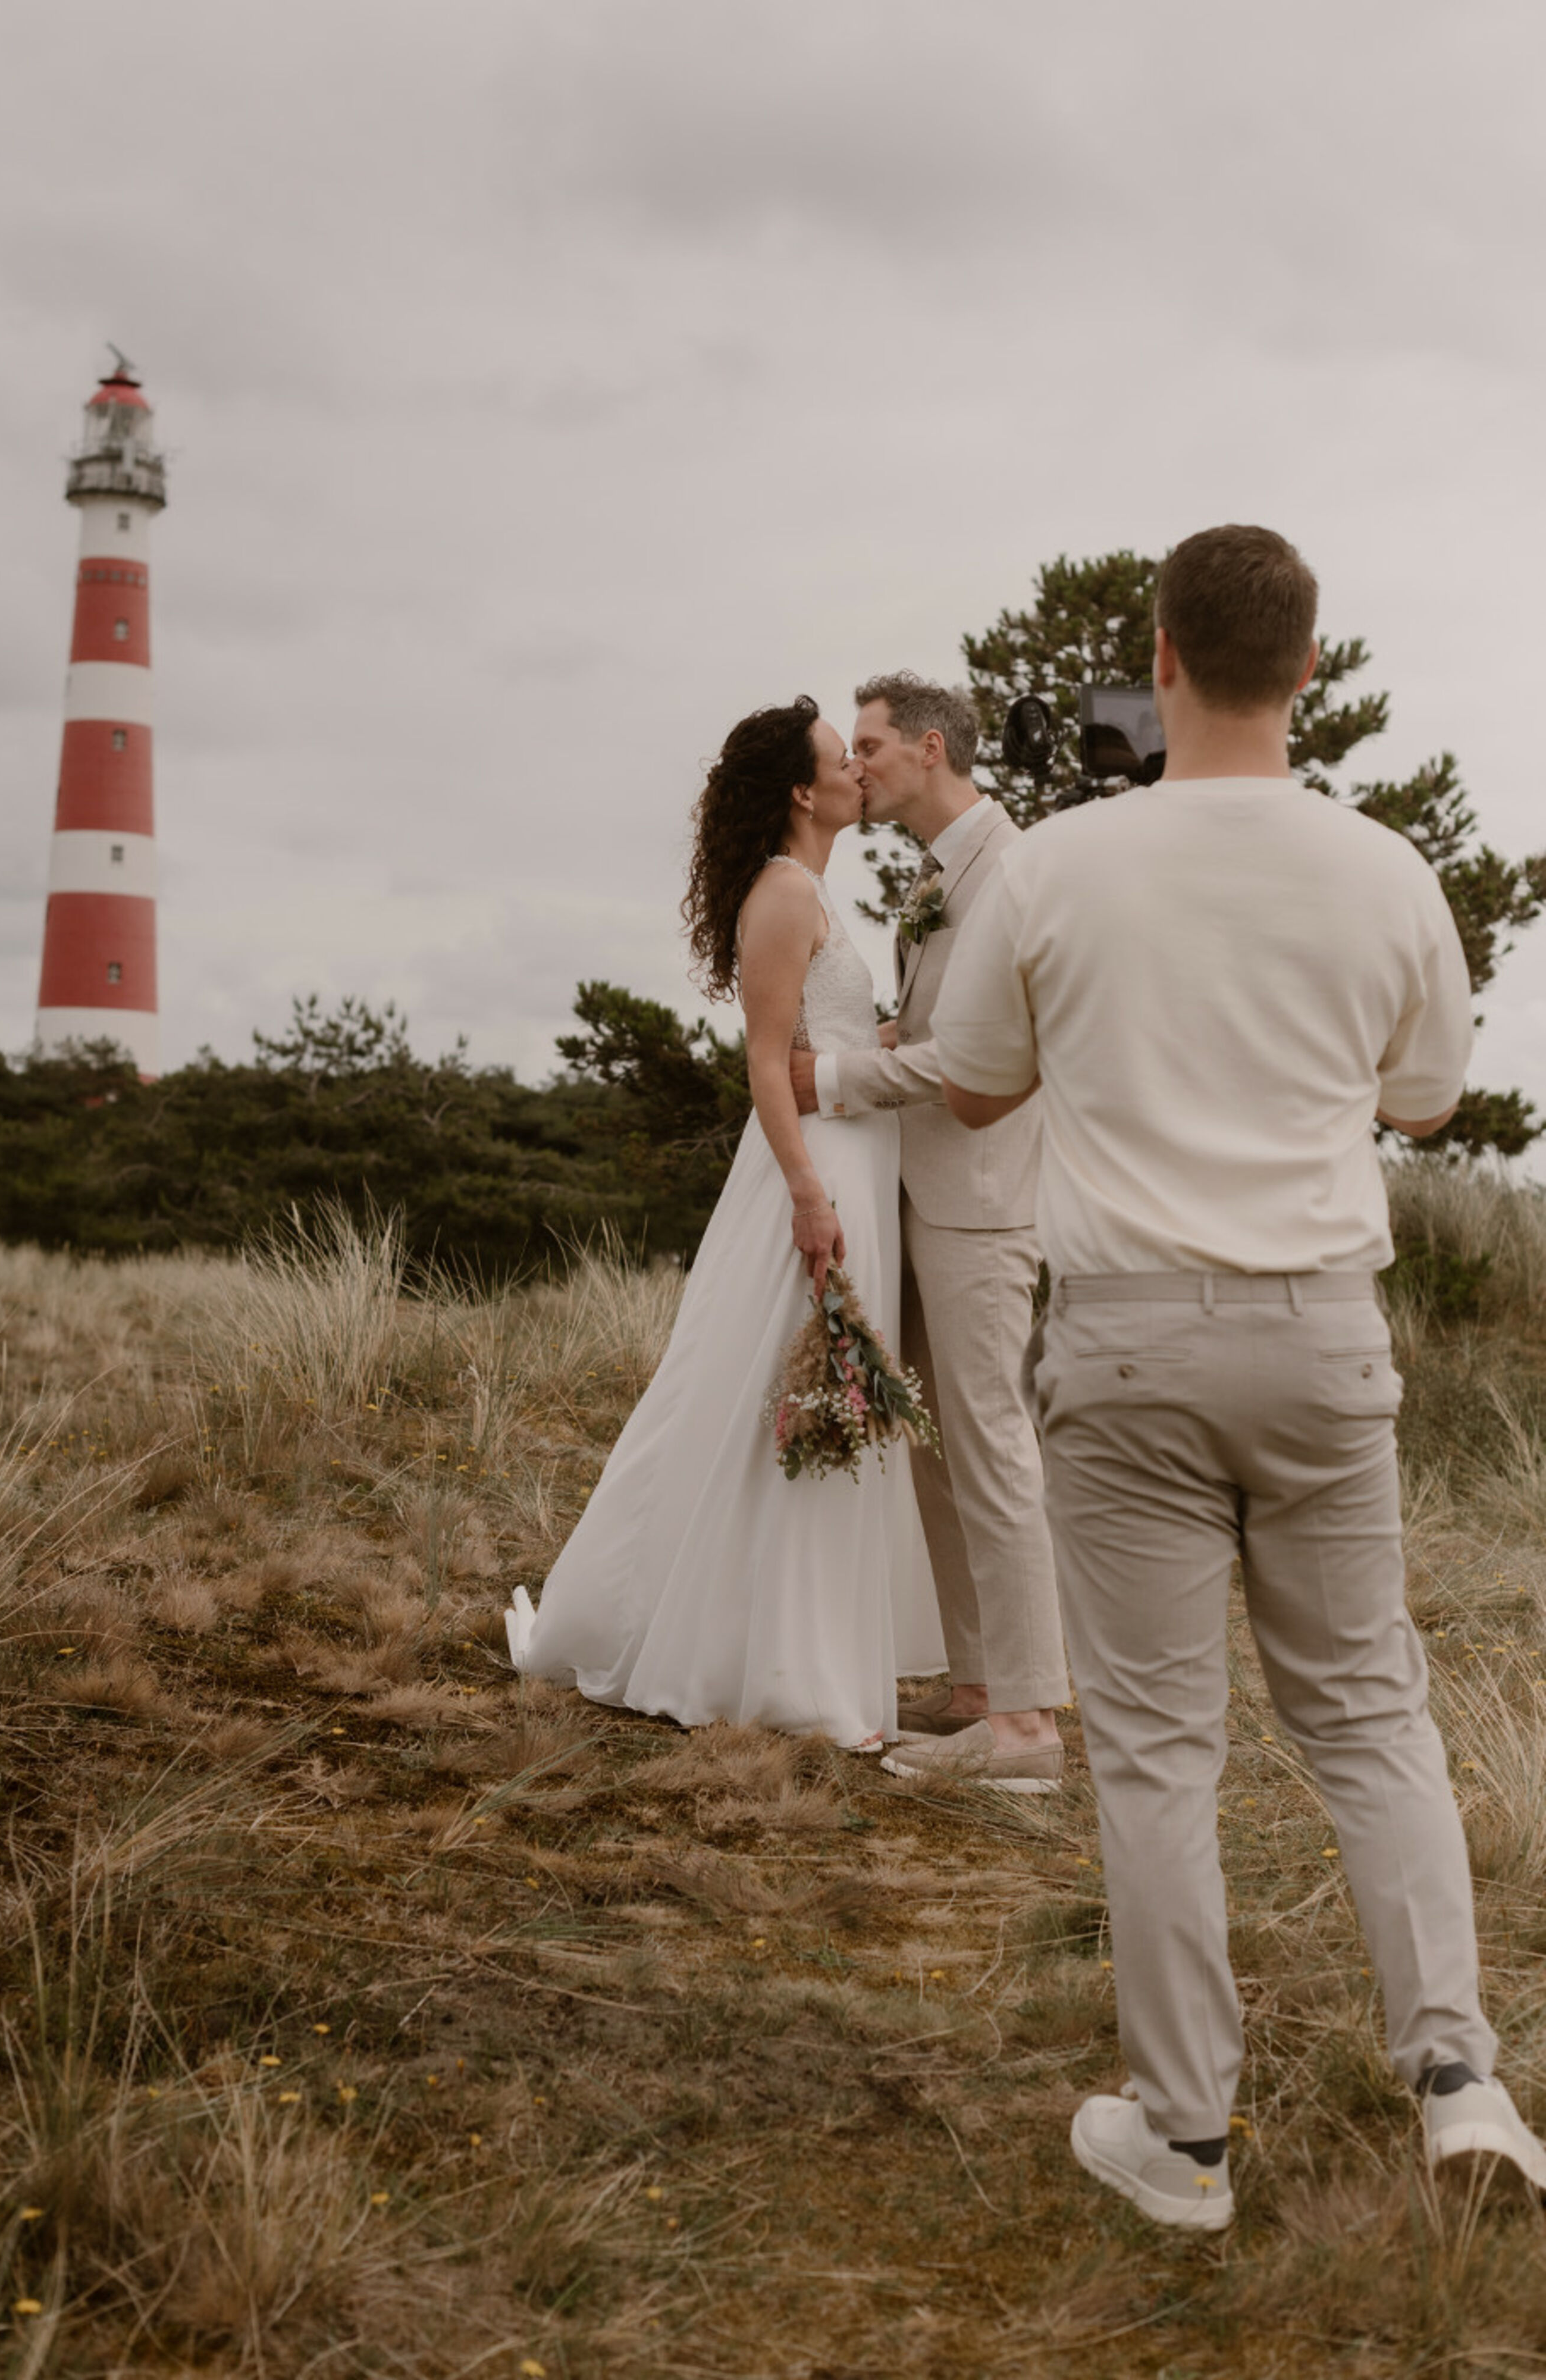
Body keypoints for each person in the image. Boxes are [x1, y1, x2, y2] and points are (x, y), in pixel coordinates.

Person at [930, 522, 1546, 2229]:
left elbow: (972, 1083)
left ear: (1163, 657)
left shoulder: (1056, 864)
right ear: (1309, 666)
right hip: (1321, 1334)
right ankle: (1460, 2083)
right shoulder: (1387, 868)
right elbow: (1426, 1097)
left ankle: (1186, 2140)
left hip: (1126, 1336)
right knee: (1368, 1715)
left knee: (1155, 1747)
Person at [506, 697, 944, 1748]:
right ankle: (780, 1670)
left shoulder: (812, 891)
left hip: (855, 1157)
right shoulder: (785, 893)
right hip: (818, 1170)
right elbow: (765, 1061)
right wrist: (806, 1195)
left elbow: (832, 1035)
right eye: (840, 760)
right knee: (784, 1393)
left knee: (806, 1395)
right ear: (801, 792)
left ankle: (789, 1647)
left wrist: (909, 1033)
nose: (857, 772)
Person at [790, 672, 1068, 1790]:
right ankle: (978, 1690)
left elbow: (989, 1058)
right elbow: (938, 1025)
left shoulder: (1010, 870)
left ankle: (1028, 1728)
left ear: (931, 748)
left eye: (868, 746)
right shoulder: (934, 871)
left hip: (985, 1202)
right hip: (914, 1193)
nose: (854, 766)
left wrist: (834, 1078)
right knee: (937, 1449)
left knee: (991, 1444)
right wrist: (883, 1034)